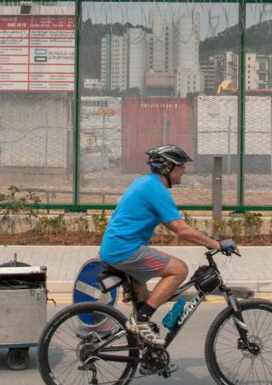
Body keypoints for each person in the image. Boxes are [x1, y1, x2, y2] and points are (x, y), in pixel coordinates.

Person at [99, 144, 237, 347]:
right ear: (167, 168)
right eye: (181, 167)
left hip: (117, 248)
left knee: (148, 299)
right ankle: (141, 321)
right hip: (125, 250)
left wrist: (204, 237)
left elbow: (169, 223)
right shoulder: (155, 189)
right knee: (179, 270)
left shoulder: (146, 183)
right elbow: (180, 229)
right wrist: (215, 244)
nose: (184, 171)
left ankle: (144, 348)